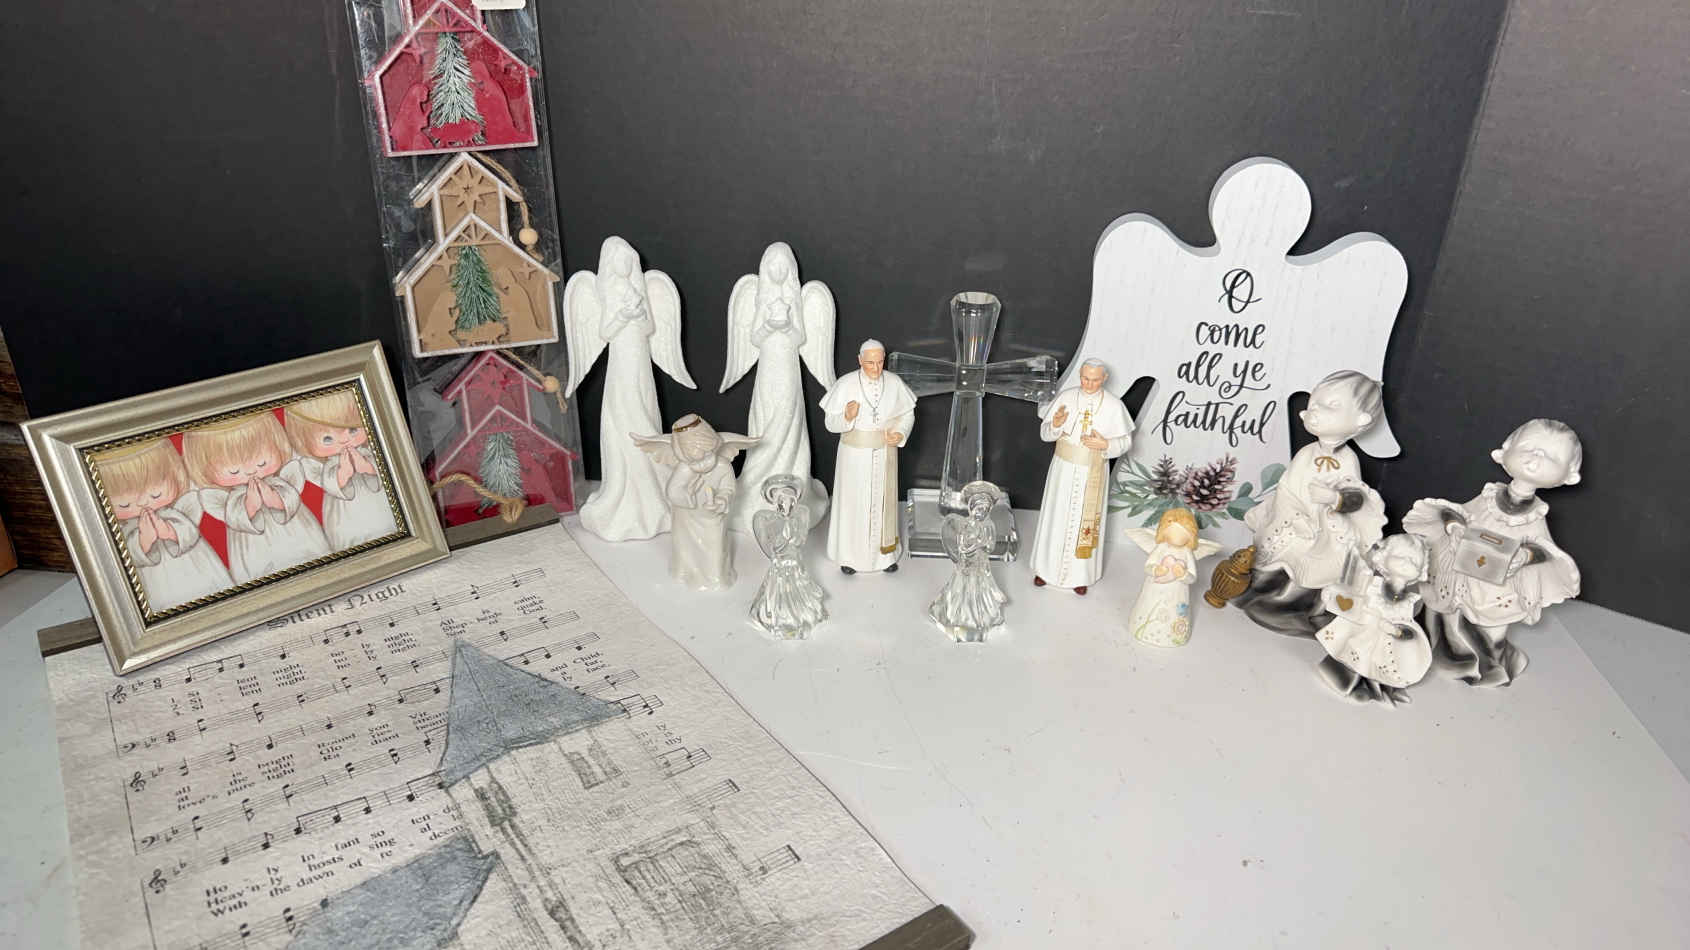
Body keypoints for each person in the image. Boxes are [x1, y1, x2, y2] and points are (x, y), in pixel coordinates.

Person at [1403, 418, 1581, 687]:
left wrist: (1524, 556)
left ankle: (1487, 665)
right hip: (1463, 568)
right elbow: (1460, 512)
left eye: (1551, 457)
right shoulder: (1488, 497)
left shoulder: (1534, 516)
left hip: (1497, 583)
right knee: (1447, 614)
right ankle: (1449, 655)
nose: (1536, 458)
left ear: (1568, 476)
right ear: (1503, 452)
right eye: (1528, 447)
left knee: (1490, 627)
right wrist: (1454, 526)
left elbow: (1543, 548)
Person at [1237, 370, 1387, 635]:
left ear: (1361, 420)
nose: (1316, 409)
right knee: (1282, 550)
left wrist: (1334, 498)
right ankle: (1266, 595)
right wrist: (1295, 516)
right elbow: (1286, 489)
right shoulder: (1306, 454)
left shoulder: (1348, 460)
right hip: (1295, 519)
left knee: (1322, 561)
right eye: (1314, 402)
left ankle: (1297, 607)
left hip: (1327, 528)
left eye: (1332, 405)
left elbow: (1356, 498)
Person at [1029, 358, 1134, 594]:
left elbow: (1126, 441)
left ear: (1104, 378)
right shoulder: (1066, 398)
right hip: (1063, 470)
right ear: (1080, 376)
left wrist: (1106, 444)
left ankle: (1080, 575)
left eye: (1095, 380)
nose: (1089, 384)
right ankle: (1045, 570)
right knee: (1056, 517)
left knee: (1083, 523)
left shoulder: (1114, 406)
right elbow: (1045, 434)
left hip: (1092, 470)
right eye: (1085, 378)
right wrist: (1056, 425)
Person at [820, 340, 915, 575]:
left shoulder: (894, 382)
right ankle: (850, 557)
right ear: (860, 360)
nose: (876, 368)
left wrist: (900, 433)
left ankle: (885, 557)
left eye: (880, 362)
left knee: (883, 503)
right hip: (854, 457)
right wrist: (846, 416)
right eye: (870, 363)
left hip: (884, 453)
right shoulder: (846, 383)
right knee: (854, 504)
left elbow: (907, 414)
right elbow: (830, 423)